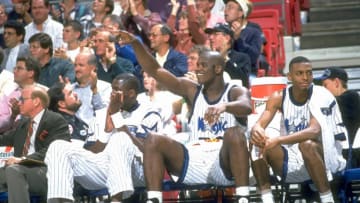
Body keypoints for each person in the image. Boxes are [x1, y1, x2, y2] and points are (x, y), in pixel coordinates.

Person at [118, 30, 252, 203]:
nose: (198, 69)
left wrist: (224, 106)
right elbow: (156, 70)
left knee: (234, 133)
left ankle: (243, 197)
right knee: (153, 139)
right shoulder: (191, 90)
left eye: (203, 66)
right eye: (198, 65)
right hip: (193, 159)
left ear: (218, 68)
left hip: (224, 162)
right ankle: (154, 199)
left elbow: (247, 106)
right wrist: (136, 44)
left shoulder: (235, 91)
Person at [45, 73, 163, 203]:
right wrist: (106, 133)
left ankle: (116, 201)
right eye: (112, 90)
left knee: (120, 138)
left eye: (117, 91)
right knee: (58, 146)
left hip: (138, 170)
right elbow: (90, 154)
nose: (112, 95)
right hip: (105, 169)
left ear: (131, 93)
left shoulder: (149, 113)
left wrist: (117, 118)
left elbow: (147, 151)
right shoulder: (101, 115)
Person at [250, 56, 348, 203]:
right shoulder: (278, 97)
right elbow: (261, 121)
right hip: (294, 159)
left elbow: (314, 130)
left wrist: (278, 140)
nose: (305, 78)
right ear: (289, 77)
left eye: (309, 73)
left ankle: (327, 199)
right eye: (300, 73)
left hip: (327, 157)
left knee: (307, 144)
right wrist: (256, 129)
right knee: (257, 142)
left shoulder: (321, 94)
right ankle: (267, 198)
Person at [0, 85, 71, 203]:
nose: (19, 103)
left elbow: (56, 150)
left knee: (14, 170)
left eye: (23, 99)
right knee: (12, 170)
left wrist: (22, 159)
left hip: (46, 173)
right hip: (19, 169)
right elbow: (4, 139)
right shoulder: (23, 124)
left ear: (36, 101)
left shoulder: (55, 120)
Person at [317, 67, 360, 168]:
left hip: (350, 155)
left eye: (325, 85)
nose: (323, 89)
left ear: (336, 83)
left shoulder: (351, 96)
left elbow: (330, 105)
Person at [0, 56, 46, 133]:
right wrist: (13, 116)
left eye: (19, 68)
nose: (14, 71)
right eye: (15, 68)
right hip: (7, 137)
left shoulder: (42, 94)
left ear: (31, 73)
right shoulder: (10, 94)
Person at [223, 0, 262, 80]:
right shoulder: (222, 30)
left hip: (246, 73)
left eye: (230, 7)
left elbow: (253, 57)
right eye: (225, 7)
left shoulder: (254, 31)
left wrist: (238, 39)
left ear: (241, 13)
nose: (226, 10)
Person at [205, 23, 251, 88]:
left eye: (215, 34)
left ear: (227, 38)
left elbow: (243, 82)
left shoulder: (242, 58)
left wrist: (223, 58)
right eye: (210, 35)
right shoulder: (206, 58)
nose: (210, 37)